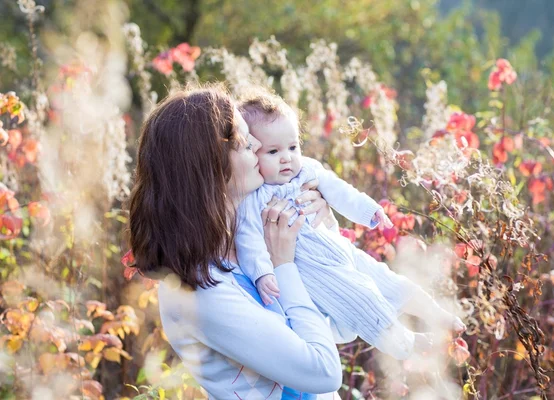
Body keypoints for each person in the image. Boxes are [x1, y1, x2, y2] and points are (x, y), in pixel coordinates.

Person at [127, 84, 346, 399]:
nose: (259, 145)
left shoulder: (256, 242)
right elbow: (324, 372)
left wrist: (323, 225)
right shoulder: (198, 292)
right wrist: (284, 265)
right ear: (209, 168)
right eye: (244, 142)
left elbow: (341, 329)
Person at [235, 88, 466, 361]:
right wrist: (262, 273)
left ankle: (434, 312)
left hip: (341, 249)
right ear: (250, 152)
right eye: (273, 151)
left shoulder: (308, 170)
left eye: (293, 147)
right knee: (364, 301)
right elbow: (247, 239)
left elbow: (340, 191)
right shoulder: (254, 199)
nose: (286, 157)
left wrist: (369, 210)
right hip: (317, 271)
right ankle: (406, 343)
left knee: (388, 280)